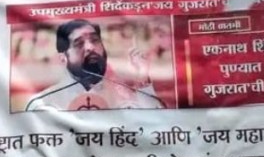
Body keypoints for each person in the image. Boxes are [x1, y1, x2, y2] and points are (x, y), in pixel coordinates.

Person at [24, 19, 166, 112]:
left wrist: (142, 77)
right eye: (79, 43)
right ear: (63, 58)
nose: (90, 47)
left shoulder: (127, 98)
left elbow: (156, 127)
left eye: (95, 40)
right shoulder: (43, 104)